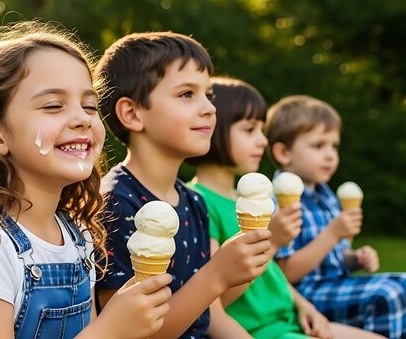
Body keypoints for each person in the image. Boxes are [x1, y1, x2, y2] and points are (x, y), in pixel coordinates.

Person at [0, 21, 173, 339]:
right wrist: (111, 331)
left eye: (90, 106)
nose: (81, 118)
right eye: (53, 106)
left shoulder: (76, 234)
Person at [94, 32, 273, 338]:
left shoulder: (194, 202)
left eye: (209, 95)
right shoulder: (114, 203)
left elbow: (212, 316)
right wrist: (216, 275)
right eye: (187, 94)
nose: (209, 108)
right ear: (133, 113)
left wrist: (236, 273)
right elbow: (131, 333)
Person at [188, 77, 385, 338]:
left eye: (262, 131)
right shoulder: (199, 202)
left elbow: (272, 275)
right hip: (260, 330)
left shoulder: (249, 200)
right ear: (212, 129)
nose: (263, 141)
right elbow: (212, 300)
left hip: (289, 320)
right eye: (250, 130)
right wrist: (273, 242)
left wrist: (305, 306)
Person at [264, 94, 406, 339]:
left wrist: (354, 259)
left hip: (335, 285)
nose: (330, 154)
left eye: (334, 146)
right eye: (319, 146)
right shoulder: (277, 200)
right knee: (386, 294)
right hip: (304, 295)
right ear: (283, 152)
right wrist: (332, 234)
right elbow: (283, 273)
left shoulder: (326, 194)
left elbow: (334, 258)